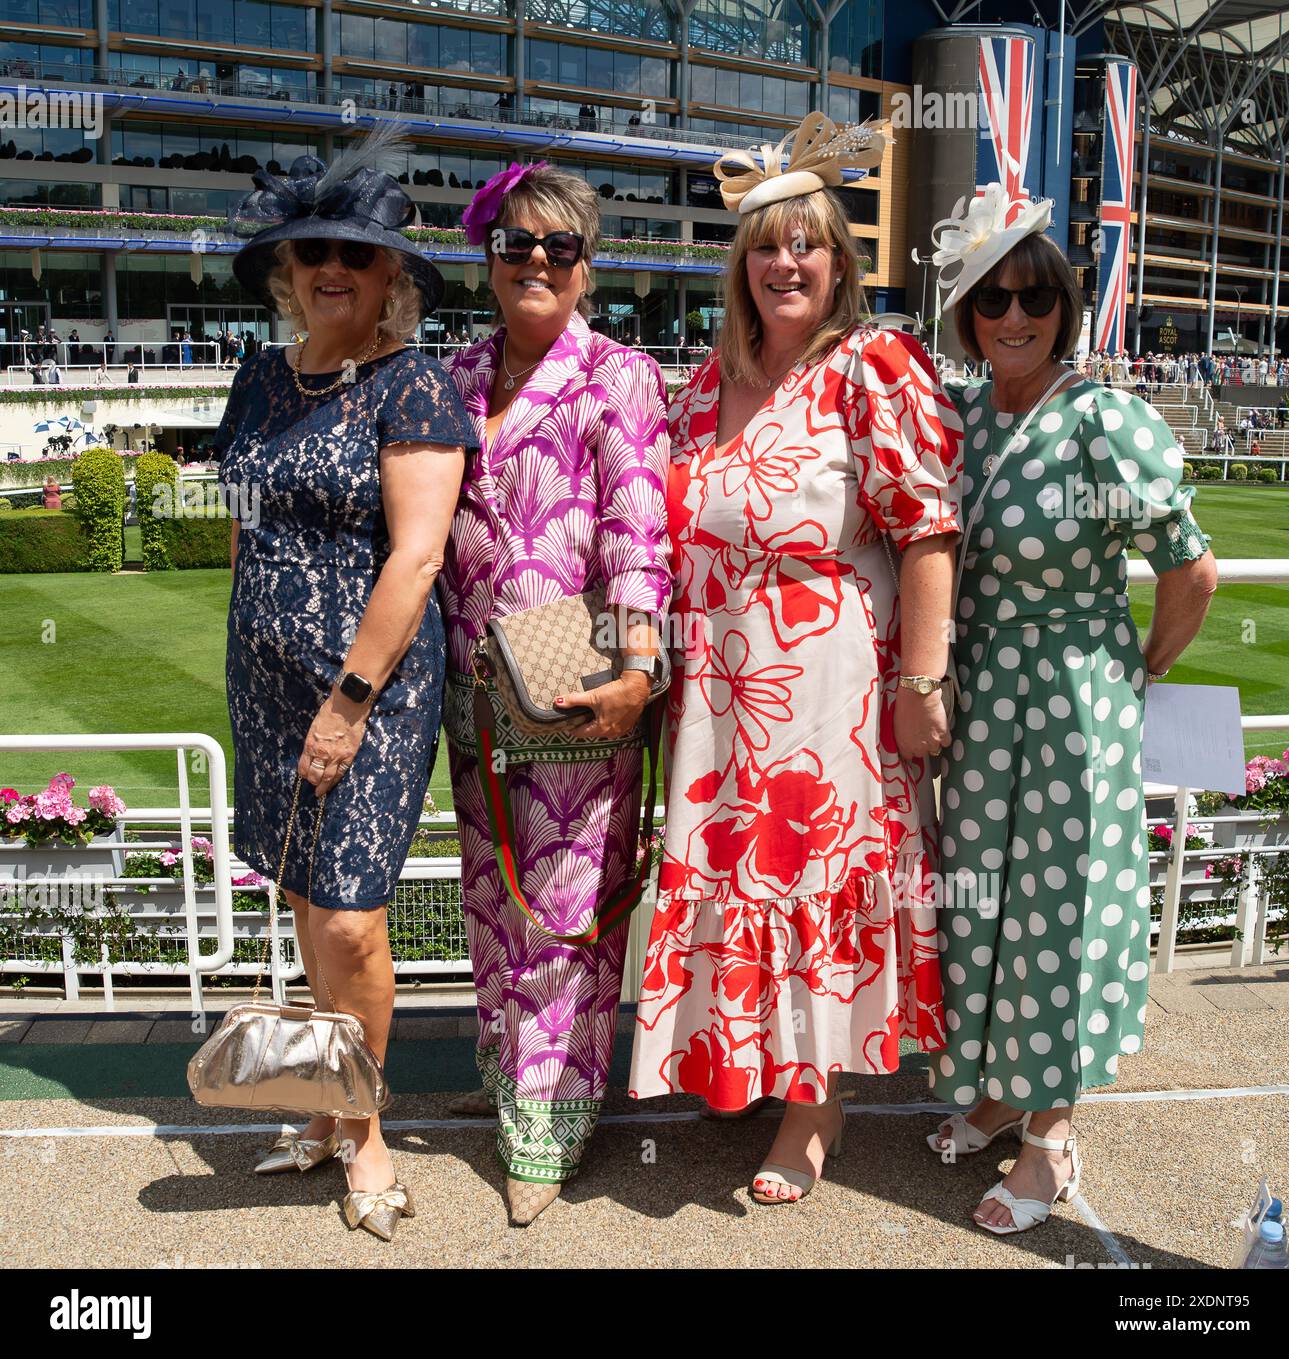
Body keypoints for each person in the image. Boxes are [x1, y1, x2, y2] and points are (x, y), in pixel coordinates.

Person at [628, 113, 962, 1203]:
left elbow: (926, 531)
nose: (786, 263)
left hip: (828, 687)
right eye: (766, 245)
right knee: (730, 880)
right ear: (741, 265)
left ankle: (811, 1114)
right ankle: (747, 1065)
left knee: (811, 881)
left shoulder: (872, 366)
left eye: (807, 243)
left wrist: (921, 681)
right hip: (718, 689)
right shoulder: (693, 391)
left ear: (839, 261)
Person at [923, 182, 1217, 1234]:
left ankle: (1049, 1139)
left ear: (1063, 305)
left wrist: (1136, 672)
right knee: (983, 909)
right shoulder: (957, 413)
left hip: (1071, 703)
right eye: (993, 297)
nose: (1014, 316)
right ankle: (1001, 1093)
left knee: (1056, 917)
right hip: (984, 701)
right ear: (966, 312)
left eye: (1034, 296)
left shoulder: (1105, 420)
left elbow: (1192, 572)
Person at [216, 124, 474, 1242]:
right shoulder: (259, 378)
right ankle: (322, 1108)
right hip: (264, 684)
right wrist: (250, 659)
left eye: (357, 256)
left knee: (355, 919)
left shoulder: (412, 387)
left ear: (391, 279)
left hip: (365, 690)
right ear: (287, 271)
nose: (333, 268)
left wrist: (346, 701)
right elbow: (242, 528)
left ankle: (364, 1135)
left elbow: (416, 558)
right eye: (313, 251)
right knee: (304, 908)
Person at [439, 162, 671, 1225]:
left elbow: (634, 530)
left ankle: (547, 1132)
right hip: (476, 691)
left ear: (586, 266)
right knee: (493, 903)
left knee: (568, 919)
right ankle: (509, 1086)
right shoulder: (448, 376)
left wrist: (635, 671)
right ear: (486, 256)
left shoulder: (616, 376)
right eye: (515, 243)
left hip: (577, 686)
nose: (536, 261)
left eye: (559, 247)